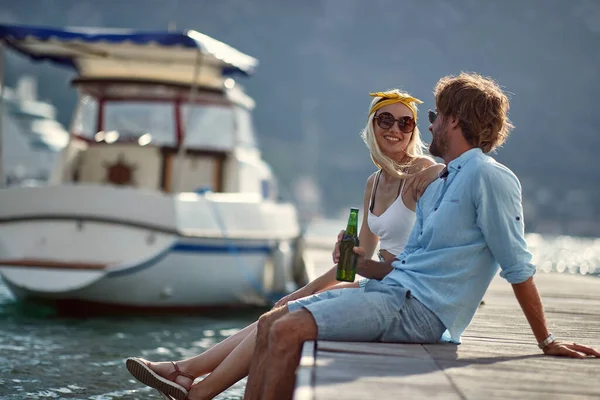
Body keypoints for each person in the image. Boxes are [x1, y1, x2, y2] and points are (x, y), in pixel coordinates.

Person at [241, 72, 600, 400]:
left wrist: (546, 340)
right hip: (393, 294)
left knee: (287, 330)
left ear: (454, 121)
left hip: (419, 311)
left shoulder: (489, 177)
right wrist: (358, 264)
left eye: (434, 117)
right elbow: (408, 266)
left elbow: (517, 265)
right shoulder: (442, 182)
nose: (429, 129)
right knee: (271, 322)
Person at [125, 89, 444, 400]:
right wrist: (300, 292)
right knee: (272, 315)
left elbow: (439, 233)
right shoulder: (374, 183)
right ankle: (186, 373)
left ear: (415, 131)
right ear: (372, 126)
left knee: (273, 321)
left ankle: (191, 383)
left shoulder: (423, 171)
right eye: (386, 120)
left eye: (406, 123)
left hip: (402, 293)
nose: (395, 130)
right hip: (374, 286)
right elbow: (351, 267)